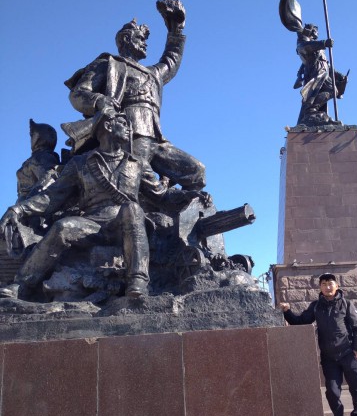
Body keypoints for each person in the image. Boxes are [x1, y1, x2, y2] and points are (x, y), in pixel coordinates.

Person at [0, 111, 207, 301]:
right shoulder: (80, 163)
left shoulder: (137, 164)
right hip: (92, 224)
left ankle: (138, 280)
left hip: (125, 222)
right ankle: (22, 284)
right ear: (108, 126)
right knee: (63, 227)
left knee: (132, 209)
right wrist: (18, 209)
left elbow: (161, 195)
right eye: (123, 123)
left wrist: (189, 195)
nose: (129, 128)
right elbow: (52, 197)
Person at [62, 0, 206, 191]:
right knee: (138, 183)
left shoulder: (153, 73)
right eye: (140, 39)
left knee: (196, 171)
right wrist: (100, 100)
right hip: (127, 136)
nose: (145, 44)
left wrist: (176, 29)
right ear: (126, 40)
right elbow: (78, 94)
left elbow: (171, 60)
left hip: (156, 139)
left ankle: (184, 205)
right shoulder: (108, 64)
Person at [279, 272, 357, 416]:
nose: (327, 287)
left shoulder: (347, 304)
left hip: (348, 354)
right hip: (329, 358)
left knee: (356, 390)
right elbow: (301, 321)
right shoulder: (316, 306)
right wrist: (287, 311)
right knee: (332, 392)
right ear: (320, 287)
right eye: (324, 284)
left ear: (337, 286)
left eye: (330, 283)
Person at [294, 23, 347, 126]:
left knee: (334, 90)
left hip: (324, 72)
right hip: (315, 72)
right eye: (315, 30)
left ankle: (313, 110)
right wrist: (323, 43)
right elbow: (303, 47)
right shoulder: (304, 41)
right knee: (323, 92)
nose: (317, 33)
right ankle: (310, 111)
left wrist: (339, 75)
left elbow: (327, 64)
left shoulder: (319, 48)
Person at [17, 119, 60, 201]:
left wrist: (29, 201)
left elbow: (49, 179)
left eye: (32, 135)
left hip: (34, 201)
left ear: (42, 137)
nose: (31, 139)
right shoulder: (36, 157)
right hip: (24, 202)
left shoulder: (43, 157)